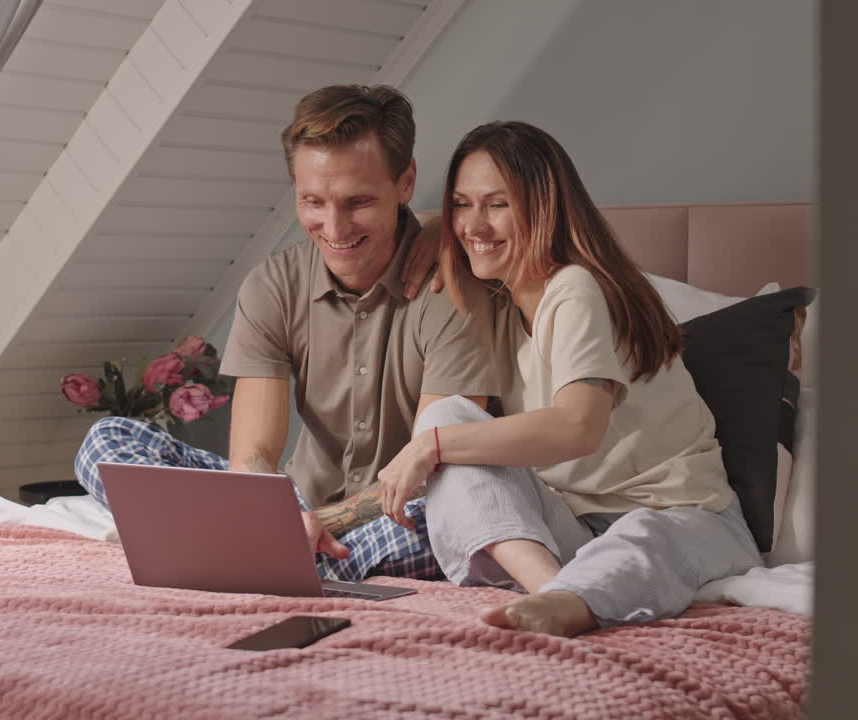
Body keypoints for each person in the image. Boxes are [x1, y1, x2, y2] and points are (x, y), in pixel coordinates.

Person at [74, 84, 497, 582]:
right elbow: (252, 455)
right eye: (313, 201)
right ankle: (275, 554)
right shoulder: (272, 286)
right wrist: (276, 520)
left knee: (459, 525)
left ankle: (237, 553)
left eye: (357, 201)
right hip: (293, 505)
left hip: (405, 510)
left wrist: (317, 525)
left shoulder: (454, 290)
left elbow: (430, 468)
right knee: (108, 439)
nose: (334, 228)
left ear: (405, 183)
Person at [377, 121, 761, 636]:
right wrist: (434, 232)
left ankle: (567, 599)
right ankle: (550, 591)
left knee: (643, 537)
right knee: (445, 417)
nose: (475, 224)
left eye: (497, 204)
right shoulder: (495, 300)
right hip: (575, 531)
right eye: (462, 204)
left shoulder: (575, 288)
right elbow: (443, 227)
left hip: (688, 519)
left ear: (544, 207)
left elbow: (579, 428)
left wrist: (429, 448)